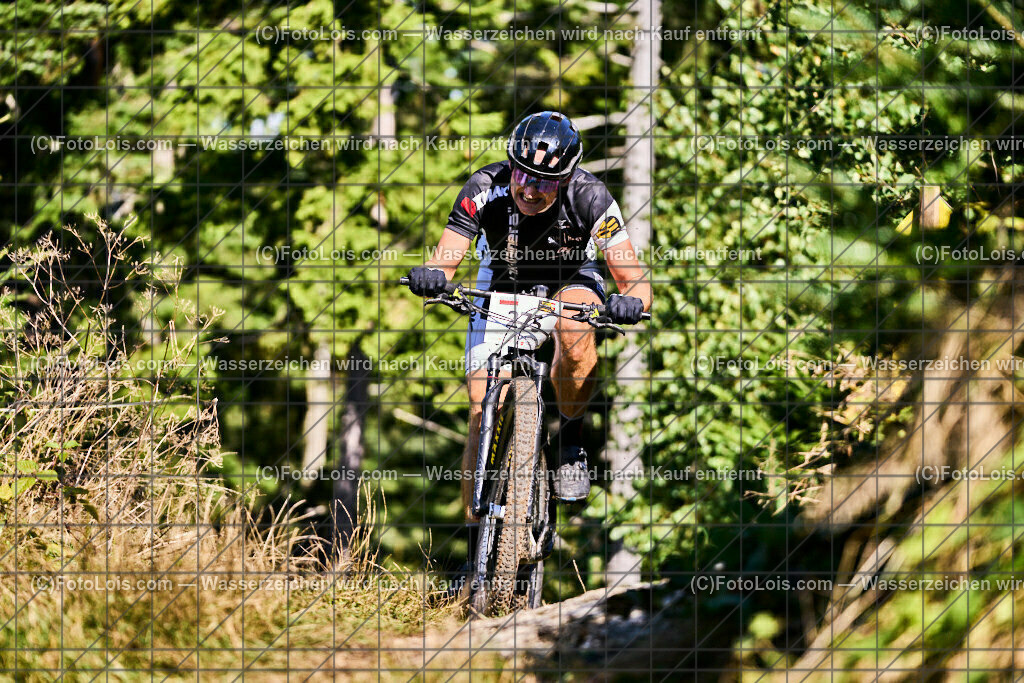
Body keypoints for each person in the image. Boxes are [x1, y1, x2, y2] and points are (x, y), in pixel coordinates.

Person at [406, 111, 652, 525]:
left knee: (576, 330)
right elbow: (444, 261)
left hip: (570, 278)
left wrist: (632, 302)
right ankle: (476, 542)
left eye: (546, 182)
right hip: (502, 280)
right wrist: (432, 276)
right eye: (523, 175)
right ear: (511, 165)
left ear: (566, 179)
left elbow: (636, 280)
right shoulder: (483, 187)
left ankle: (570, 443)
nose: (531, 190)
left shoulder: (592, 198)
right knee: (481, 411)